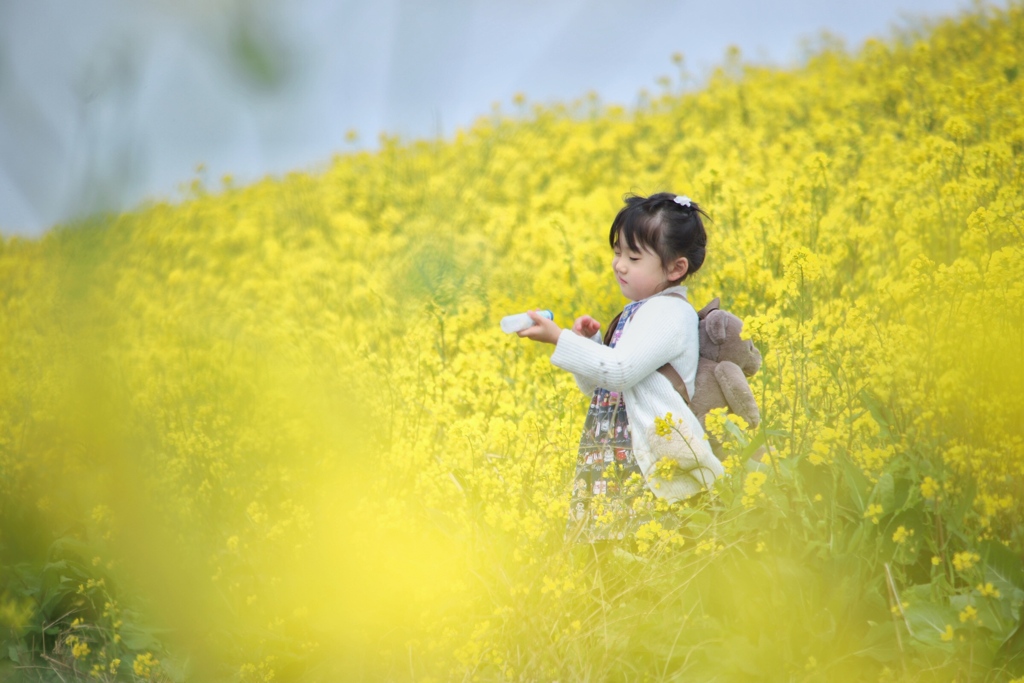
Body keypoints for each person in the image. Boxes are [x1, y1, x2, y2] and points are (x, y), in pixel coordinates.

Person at [517, 192, 723, 545]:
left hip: (649, 465)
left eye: (633, 256)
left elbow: (619, 372)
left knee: (649, 555)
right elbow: (606, 390)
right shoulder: (642, 311)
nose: (619, 265)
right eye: (617, 253)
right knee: (613, 560)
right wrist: (592, 346)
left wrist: (561, 340)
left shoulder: (669, 313)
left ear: (676, 268)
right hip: (618, 461)